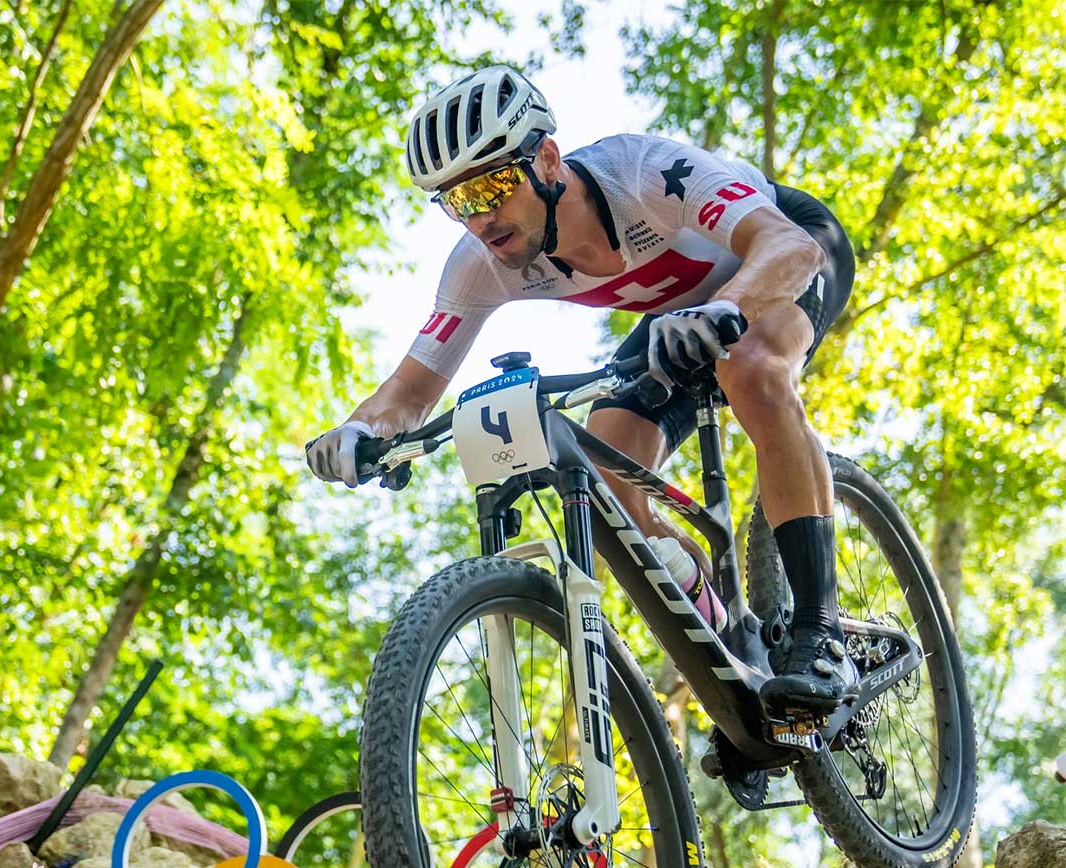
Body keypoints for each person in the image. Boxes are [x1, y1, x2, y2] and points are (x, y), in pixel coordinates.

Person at [306, 65, 858, 717]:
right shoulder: (483, 262)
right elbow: (410, 388)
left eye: (493, 185)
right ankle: (735, 653)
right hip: (682, 314)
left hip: (780, 259)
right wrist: (359, 434)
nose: (480, 217)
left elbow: (788, 245)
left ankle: (823, 636)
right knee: (606, 477)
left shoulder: (645, 174)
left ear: (545, 159)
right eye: (457, 203)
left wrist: (730, 307)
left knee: (753, 368)